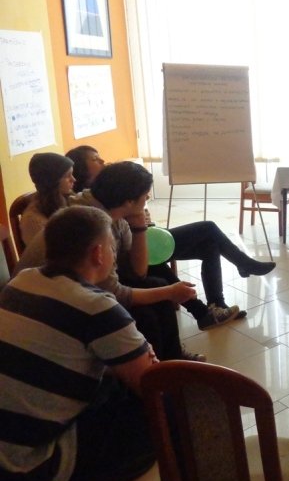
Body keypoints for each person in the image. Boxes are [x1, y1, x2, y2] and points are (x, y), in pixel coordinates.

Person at [0, 206, 157, 481]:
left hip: (7, 439)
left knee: (112, 383)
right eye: (112, 247)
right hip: (26, 466)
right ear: (98, 253)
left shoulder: (21, 281)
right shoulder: (98, 307)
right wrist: (144, 354)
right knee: (165, 415)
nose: (113, 255)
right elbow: (152, 384)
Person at [16, 162, 220, 359]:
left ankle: (171, 359)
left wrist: (139, 226)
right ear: (129, 201)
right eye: (145, 194)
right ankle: (154, 372)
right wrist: (169, 292)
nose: (148, 197)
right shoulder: (92, 223)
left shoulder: (114, 214)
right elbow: (115, 293)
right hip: (49, 303)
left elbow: (138, 273)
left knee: (157, 285)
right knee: (147, 313)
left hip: (78, 286)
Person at [66, 145, 275, 314]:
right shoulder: (91, 207)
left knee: (209, 242)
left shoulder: (106, 193)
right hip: (131, 251)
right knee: (208, 230)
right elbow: (126, 273)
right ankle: (228, 285)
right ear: (80, 169)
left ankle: (214, 306)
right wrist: (139, 225)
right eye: (95, 159)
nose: (102, 161)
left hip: (139, 240)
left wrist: (140, 223)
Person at [19, 152, 76, 246]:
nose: (73, 179)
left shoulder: (68, 198)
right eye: (67, 176)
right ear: (52, 181)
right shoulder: (33, 221)